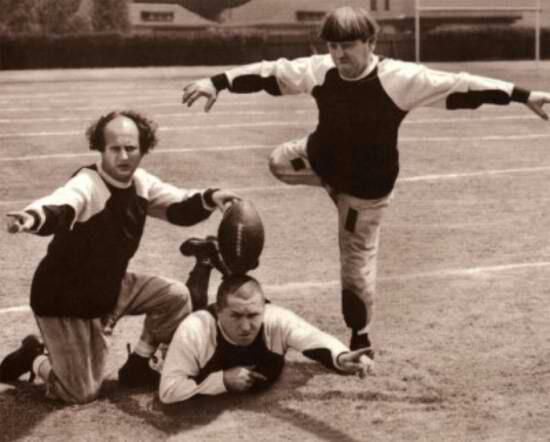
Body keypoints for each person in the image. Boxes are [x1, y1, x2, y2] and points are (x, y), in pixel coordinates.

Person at [181, 6, 550, 353]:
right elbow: (272, 72)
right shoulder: (322, 69)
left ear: (371, 43)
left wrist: (524, 96)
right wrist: (217, 82)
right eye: (333, 46)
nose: (339, 55)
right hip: (318, 160)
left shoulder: (400, 79)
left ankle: (360, 335)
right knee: (279, 161)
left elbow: (461, 85)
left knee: (355, 271)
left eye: (348, 46)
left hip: (364, 191)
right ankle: (331, 185)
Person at [0, 110, 240, 404]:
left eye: (131, 148)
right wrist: (33, 217)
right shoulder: (88, 184)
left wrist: (211, 197)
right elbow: (62, 204)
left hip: (110, 287)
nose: (123, 156)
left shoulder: (140, 183)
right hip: (63, 298)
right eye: (115, 148)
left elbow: (179, 206)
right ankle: (34, 355)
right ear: (101, 149)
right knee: (79, 393)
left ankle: (138, 363)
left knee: (176, 297)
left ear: (143, 149)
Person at [159, 254, 374, 404]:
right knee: (192, 308)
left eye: (253, 315)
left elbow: (312, 338)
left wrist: (341, 357)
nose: (245, 327)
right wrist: (221, 381)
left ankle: (218, 263)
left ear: (264, 308)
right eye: (235, 316)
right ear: (218, 310)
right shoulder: (195, 330)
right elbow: (168, 391)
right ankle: (204, 262)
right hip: (192, 329)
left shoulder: (275, 318)